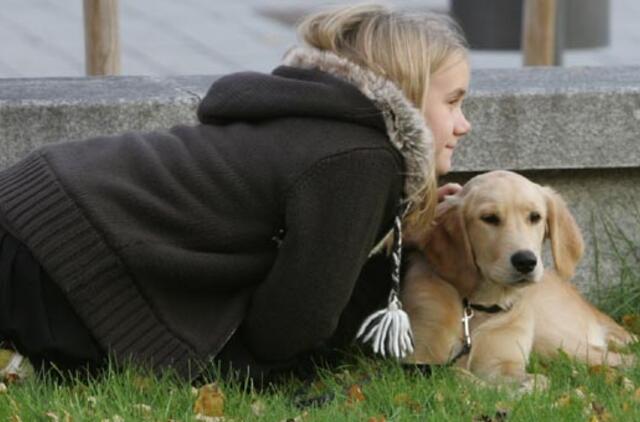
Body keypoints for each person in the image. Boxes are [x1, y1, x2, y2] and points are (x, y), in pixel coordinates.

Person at [0, 3, 471, 382]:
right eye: (452, 102)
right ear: (407, 91)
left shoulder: (316, 126)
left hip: (32, 212)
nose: (463, 124)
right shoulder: (359, 159)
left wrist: (392, 237)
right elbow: (292, 329)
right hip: (48, 254)